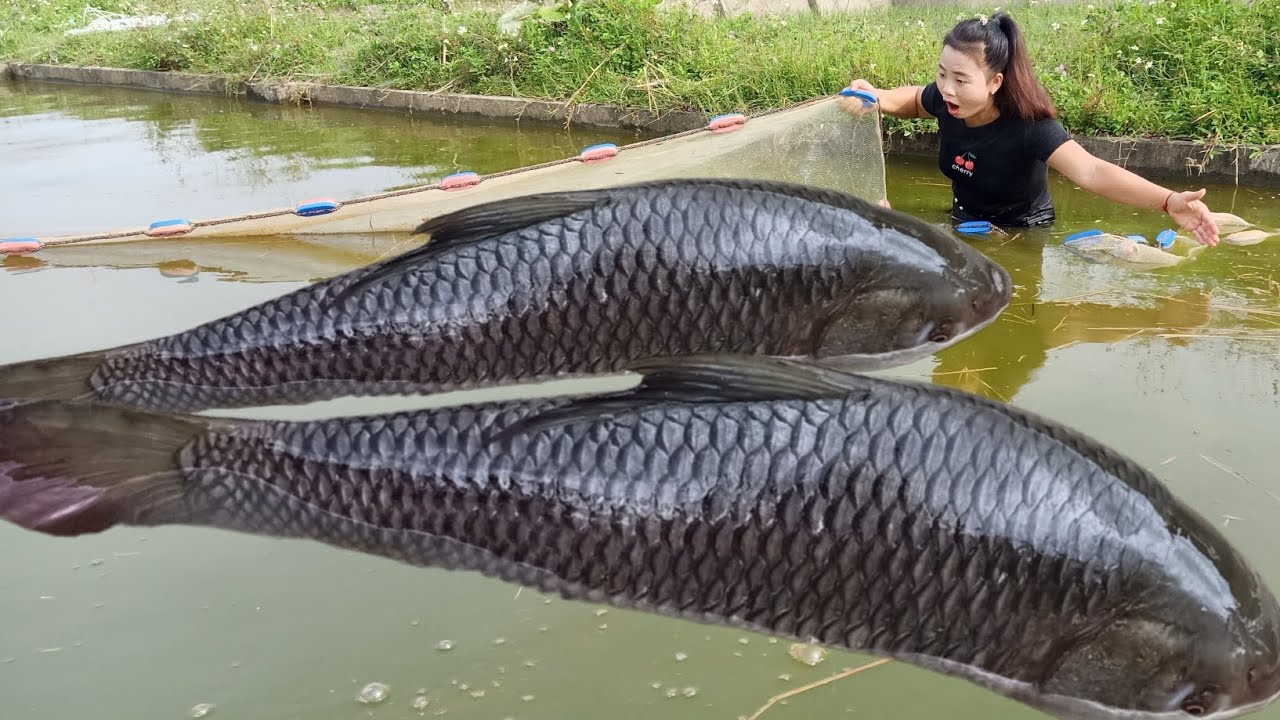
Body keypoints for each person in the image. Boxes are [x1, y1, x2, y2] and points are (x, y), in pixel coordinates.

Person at [840, 11, 1221, 246]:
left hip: (1021, 233)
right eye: (942, 74)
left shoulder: (1030, 126)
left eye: (960, 78)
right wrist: (878, 96)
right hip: (965, 220)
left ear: (995, 83)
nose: (946, 87)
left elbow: (1091, 171)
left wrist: (1167, 200)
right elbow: (914, 101)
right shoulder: (945, 100)